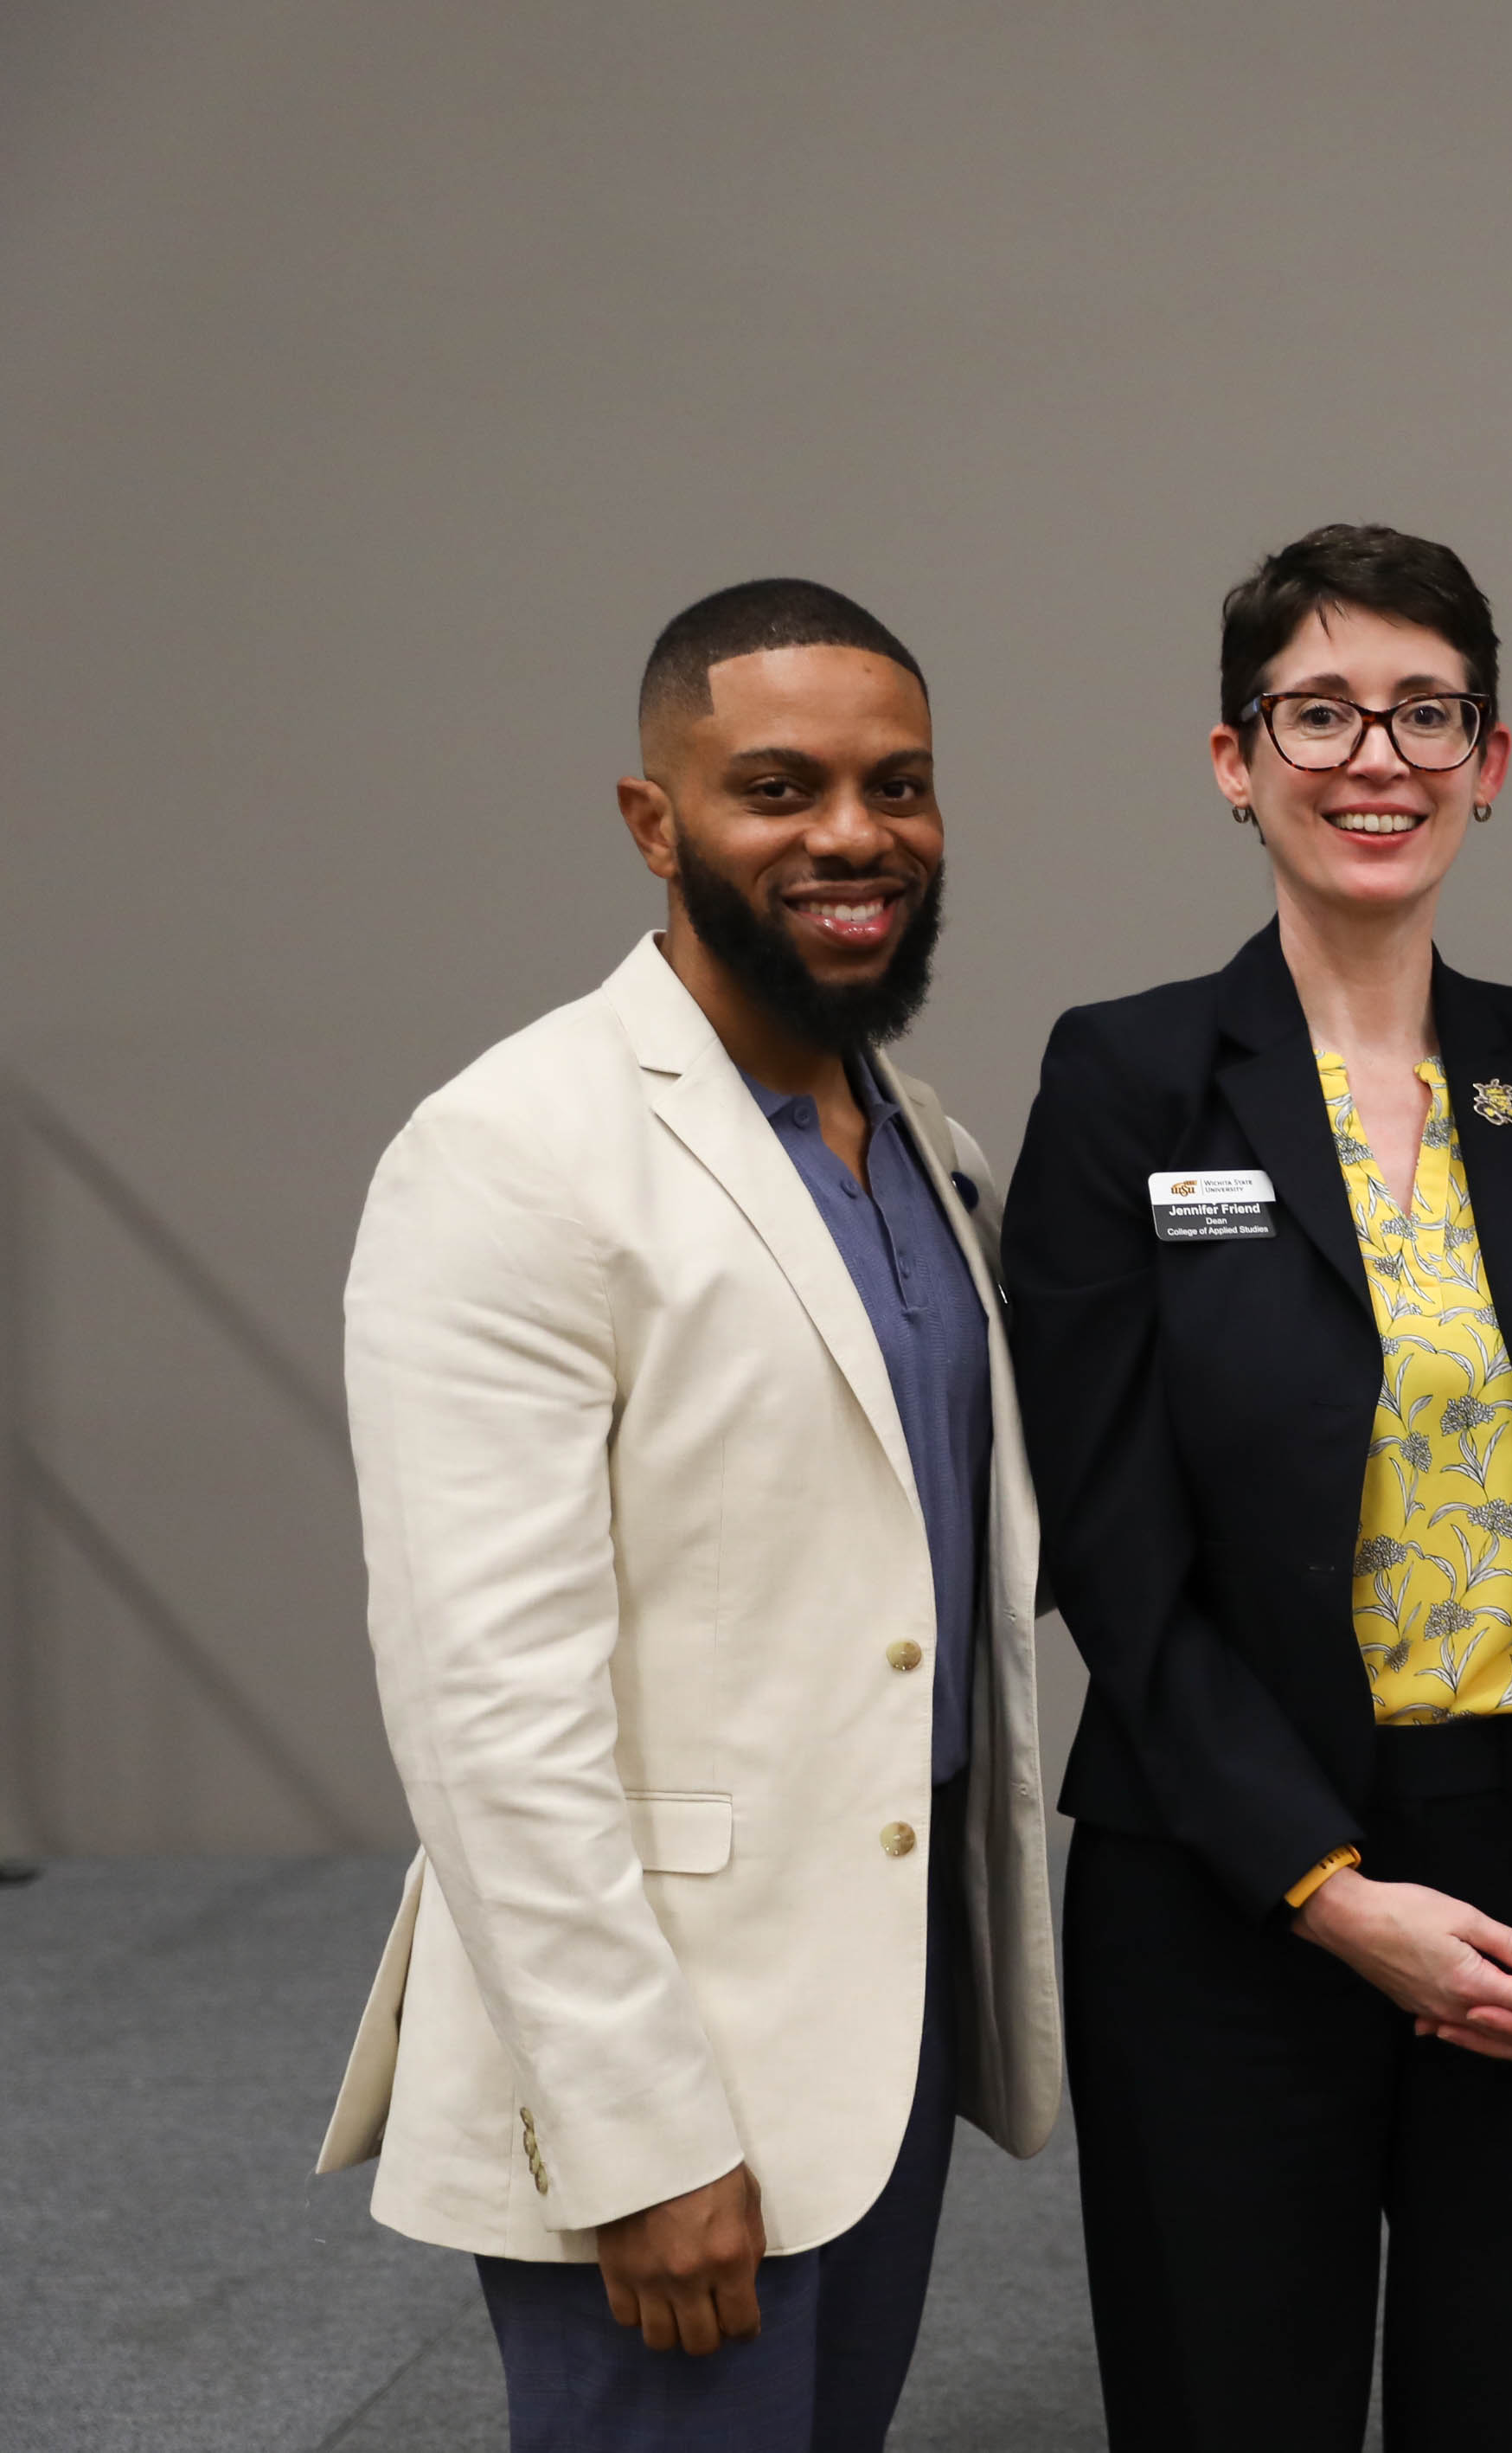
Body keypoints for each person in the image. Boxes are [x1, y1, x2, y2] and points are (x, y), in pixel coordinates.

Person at [1002, 523, 1512, 2453]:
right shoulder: (1130, 1080)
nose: (1375, 759)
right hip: (1228, 1874)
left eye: (1425, 713)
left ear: (1491, 761)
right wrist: (1327, 1890)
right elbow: (1112, 1553)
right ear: (1232, 760)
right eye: (1318, 713)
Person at [316, 578, 1061, 2450]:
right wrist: (639, 2132)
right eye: (778, 788)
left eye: (899, 786)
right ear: (654, 822)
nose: (853, 836)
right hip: (663, 2070)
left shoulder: (931, 1145)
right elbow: (487, 1706)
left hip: (881, 2020)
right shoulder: (510, 1152)